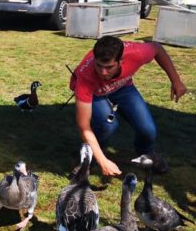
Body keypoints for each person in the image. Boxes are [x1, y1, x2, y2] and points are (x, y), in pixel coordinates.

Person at [70, 36, 187, 177]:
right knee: (107, 125)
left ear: (121, 61)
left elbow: (157, 48)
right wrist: (103, 161)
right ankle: (89, 158)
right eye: (99, 65)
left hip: (122, 87)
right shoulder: (85, 76)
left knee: (148, 129)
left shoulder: (136, 53)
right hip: (95, 92)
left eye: (109, 67)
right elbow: (84, 127)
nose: (103, 72)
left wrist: (176, 81)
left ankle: (146, 153)